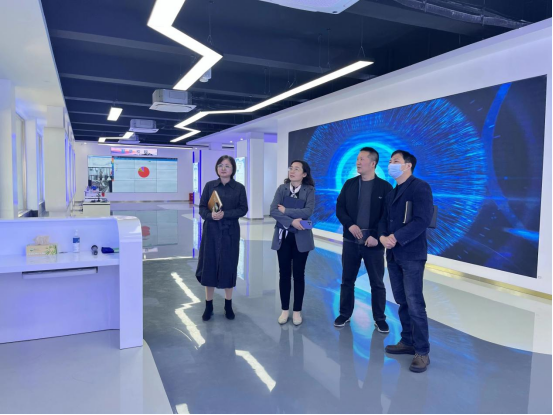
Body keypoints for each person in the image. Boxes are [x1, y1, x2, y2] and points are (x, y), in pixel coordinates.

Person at [378, 150, 434, 373]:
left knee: (415, 303)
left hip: (411, 254)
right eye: (390, 161)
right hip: (393, 254)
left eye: (396, 161)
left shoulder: (420, 187)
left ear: (408, 165)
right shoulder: (392, 193)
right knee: (402, 300)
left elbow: (422, 220)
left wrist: (396, 237)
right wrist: (383, 237)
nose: (391, 164)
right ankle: (408, 341)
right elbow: (383, 220)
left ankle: (422, 351)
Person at [334, 148, 393, 332]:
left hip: (374, 244)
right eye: (357, 159)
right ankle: (344, 314)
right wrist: (350, 224)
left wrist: (377, 236)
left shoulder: (385, 187)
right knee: (347, 280)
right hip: (351, 241)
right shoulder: (350, 184)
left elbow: (388, 216)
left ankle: (379, 318)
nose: (358, 162)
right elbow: (340, 208)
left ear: (373, 163)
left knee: (377, 283)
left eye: (362, 159)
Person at [196, 156, 248, 321]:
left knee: (228, 266)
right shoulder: (210, 186)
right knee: (209, 266)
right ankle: (208, 305)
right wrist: (210, 215)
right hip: (211, 231)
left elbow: (243, 209)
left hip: (230, 232)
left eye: (227, 166)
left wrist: (225, 214)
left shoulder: (239, 188)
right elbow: (202, 208)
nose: (223, 168)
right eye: (220, 165)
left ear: (233, 169)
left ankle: (228, 305)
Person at [270, 160, 316, 326]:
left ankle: (297, 311)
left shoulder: (309, 190)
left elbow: (308, 211)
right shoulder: (282, 189)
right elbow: (273, 210)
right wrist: (292, 222)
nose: (292, 171)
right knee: (284, 274)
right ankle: (284, 310)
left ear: (304, 174)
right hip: (283, 238)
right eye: (291, 168)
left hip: (301, 239)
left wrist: (286, 210)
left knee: (298, 274)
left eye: (297, 169)